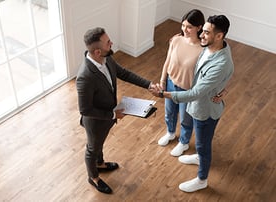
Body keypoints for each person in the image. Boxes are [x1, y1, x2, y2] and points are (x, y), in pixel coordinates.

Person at [150, 15, 234, 192]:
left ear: (219, 36)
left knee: (203, 145)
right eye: (202, 31)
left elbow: (196, 92)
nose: (201, 35)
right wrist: (224, 88)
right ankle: (197, 156)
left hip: (205, 110)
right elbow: (228, 73)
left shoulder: (221, 62)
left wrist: (163, 94)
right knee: (200, 142)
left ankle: (202, 179)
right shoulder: (212, 47)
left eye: (206, 32)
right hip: (198, 104)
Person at [76, 27, 154, 194]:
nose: (111, 44)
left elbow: (124, 73)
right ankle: (94, 177)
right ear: (97, 52)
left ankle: (100, 163)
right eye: (108, 43)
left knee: (99, 144)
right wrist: (113, 114)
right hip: (96, 121)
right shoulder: (85, 76)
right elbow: (85, 109)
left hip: (108, 115)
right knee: (92, 148)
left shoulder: (107, 58)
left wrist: (149, 85)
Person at [157, 9, 205, 157]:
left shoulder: (203, 50)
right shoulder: (176, 40)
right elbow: (167, 61)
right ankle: (170, 133)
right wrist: (163, 80)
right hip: (171, 83)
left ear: (199, 27)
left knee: (185, 118)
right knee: (169, 112)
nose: (185, 29)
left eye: (189, 26)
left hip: (187, 90)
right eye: (183, 25)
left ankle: (183, 142)